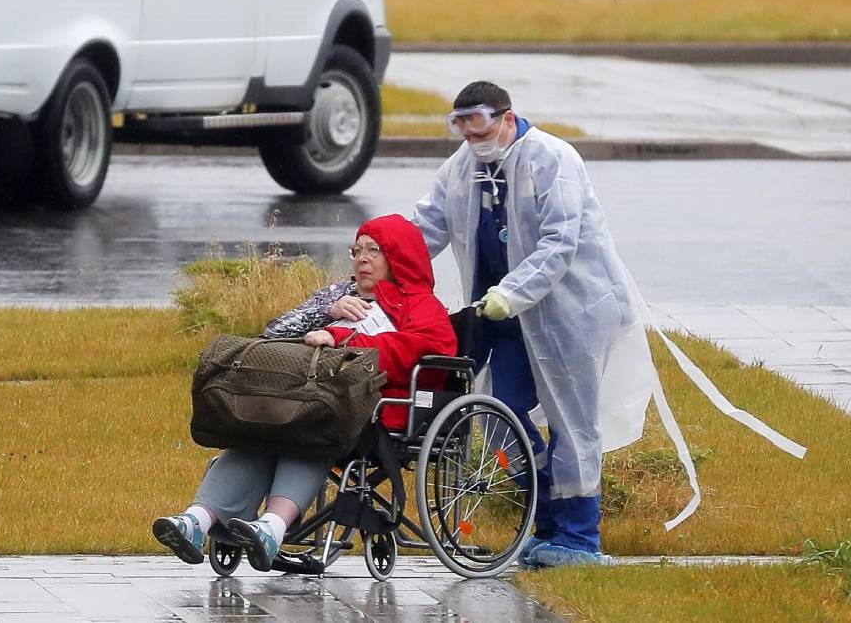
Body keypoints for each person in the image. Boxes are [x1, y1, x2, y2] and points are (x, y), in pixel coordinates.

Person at [412, 80, 651, 569]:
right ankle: (541, 522)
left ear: (506, 116)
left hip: (569, 311)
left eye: (477, 122)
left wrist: (512, 293)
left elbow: (559, 242)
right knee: (498, 412)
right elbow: (424, 230)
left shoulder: (553, 158)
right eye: (459, 125)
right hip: (500, 314)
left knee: (572, 421)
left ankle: (581, 537)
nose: (470, 135)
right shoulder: (461, 170)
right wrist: (380, 261)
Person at [152, 213, 456, 572]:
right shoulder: (339, 293)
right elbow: (273, 335)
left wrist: (345, 338)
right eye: (356, 250)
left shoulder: (421, 306)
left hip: (371, 408)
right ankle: (195, 521)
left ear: (399, 256)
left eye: (374, 251)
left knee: (309, 427)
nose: (362, 259)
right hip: (305, 392)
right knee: (258, 428)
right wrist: (325, 313)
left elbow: (428, 348)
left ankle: (271, 527)